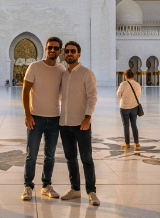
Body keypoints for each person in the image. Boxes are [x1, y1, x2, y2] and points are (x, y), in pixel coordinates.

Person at [21, 36, 65, 200]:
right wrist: (27, 114)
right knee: (31, 154)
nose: (52, 50)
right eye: (49, 47)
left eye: (55, 48)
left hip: (54, 118)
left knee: (50, 155)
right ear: (45, 49)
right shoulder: (35, 67)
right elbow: (25, 91)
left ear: (59, 50)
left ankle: (46, 185)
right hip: (36, 118)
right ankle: (28, 186)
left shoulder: (61, 70)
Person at [58, 41, 100, 206]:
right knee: (70, 158)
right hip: (65, 123)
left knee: (86, 158)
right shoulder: (63, 74)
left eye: (72, 51)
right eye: (67, 51)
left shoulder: (86, 73)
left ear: (78, 54)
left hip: (81, 123)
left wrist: (88, 117)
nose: (69, 54)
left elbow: (92, 96)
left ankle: (92, 192)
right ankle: (75, 189)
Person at [116, 68, 141, 149]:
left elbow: (118, 95)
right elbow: (138, 94)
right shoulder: (137, 84)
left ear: (126, 76)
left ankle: (127, 143)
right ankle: (136, 143)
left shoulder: (123, 84)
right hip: (134, 107)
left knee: (126, 125)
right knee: (134, 125)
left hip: (124, 107)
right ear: (133, 76)